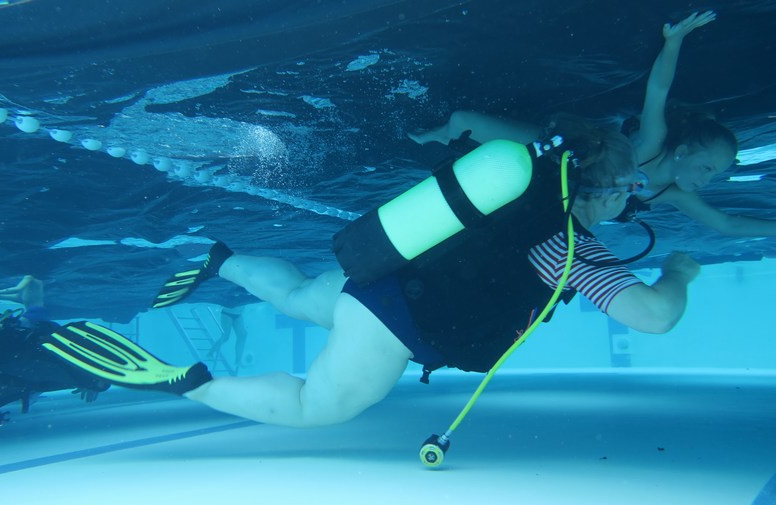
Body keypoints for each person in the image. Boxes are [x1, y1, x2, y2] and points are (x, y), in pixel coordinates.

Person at [151, 116, 701, 429]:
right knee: (312, 407)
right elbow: (654, 316)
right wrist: (678, 274)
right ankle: (193, 386)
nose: (633, 197)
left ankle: (221, 261)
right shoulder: (569, 246)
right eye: (630, 186)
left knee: (296, 295)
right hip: (396, 326)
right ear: (603, 191)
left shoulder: (514, 186)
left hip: (378, 275)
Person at [409, 12, 776, 238]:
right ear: (681, 151)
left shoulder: (674, 193)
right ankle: (437, 134)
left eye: (715, 175)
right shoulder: (653, 142)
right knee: (461, 123)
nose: (707, 181)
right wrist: (674, 41)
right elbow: (658, 90)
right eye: (707, 167)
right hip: (563, 147)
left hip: (556, 189)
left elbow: (726, 224)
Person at [0, 276, 210, 428]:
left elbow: (34, 290)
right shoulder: (22, 343)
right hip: (26, 351)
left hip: (23, 351)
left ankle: (110, 374)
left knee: (54, 350)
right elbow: (34, 289)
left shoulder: (13, 347)